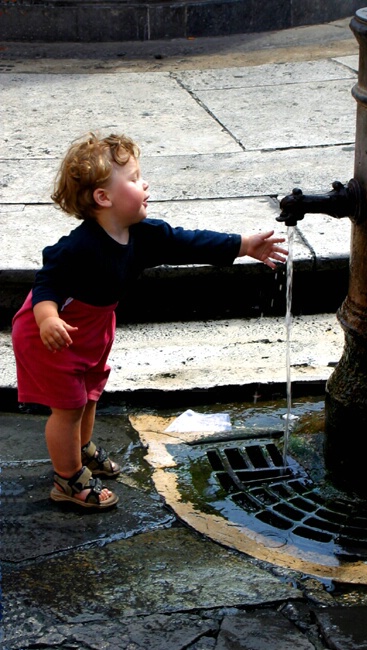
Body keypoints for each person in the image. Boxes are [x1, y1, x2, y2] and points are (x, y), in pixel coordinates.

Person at [12, 132, 288, 511]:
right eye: (135, 178)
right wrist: (47, 318)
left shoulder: (142, 234)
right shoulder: (79, 247)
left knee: (89, 393)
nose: (146, 185)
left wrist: (243, 244)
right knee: (69, 406)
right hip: (51, 331)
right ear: (104, 198)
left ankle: (80, 450)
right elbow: (47, 284)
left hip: (91, 327)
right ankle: (68, 478)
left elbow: (187, 242)